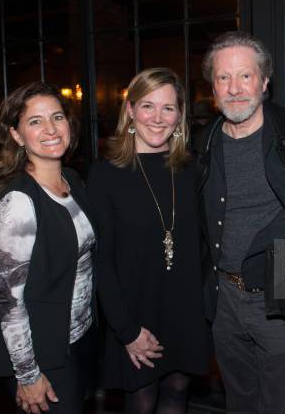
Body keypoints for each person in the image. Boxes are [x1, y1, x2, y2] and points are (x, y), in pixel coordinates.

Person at [194, 31, 285, 414]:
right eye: (223, 78)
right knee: (240, 401)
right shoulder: (203, 142)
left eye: (245, 76)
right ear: (212, 87)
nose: (234, 89)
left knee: (282, 405)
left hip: (282, 286)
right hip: (224, 294)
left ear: (264, 83)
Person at [87, 68, 209, 414]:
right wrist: (125, 330)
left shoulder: (193, 168)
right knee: (140, 400)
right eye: (147, 106)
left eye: (168, 108)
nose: (158, 118)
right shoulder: (105, 173)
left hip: (185, 310)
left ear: (180, 115)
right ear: (130, 110)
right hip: (133, 312)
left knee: (177, 392)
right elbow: (101, 260)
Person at [0, 82, 97, 414]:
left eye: (57, 117)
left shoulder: (72, 180)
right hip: (42, 354)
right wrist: (28, 375)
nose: (51, 129)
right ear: (15, 135)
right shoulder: (17, 204)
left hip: (78, 339)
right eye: (35, 121)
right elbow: (9, 304)